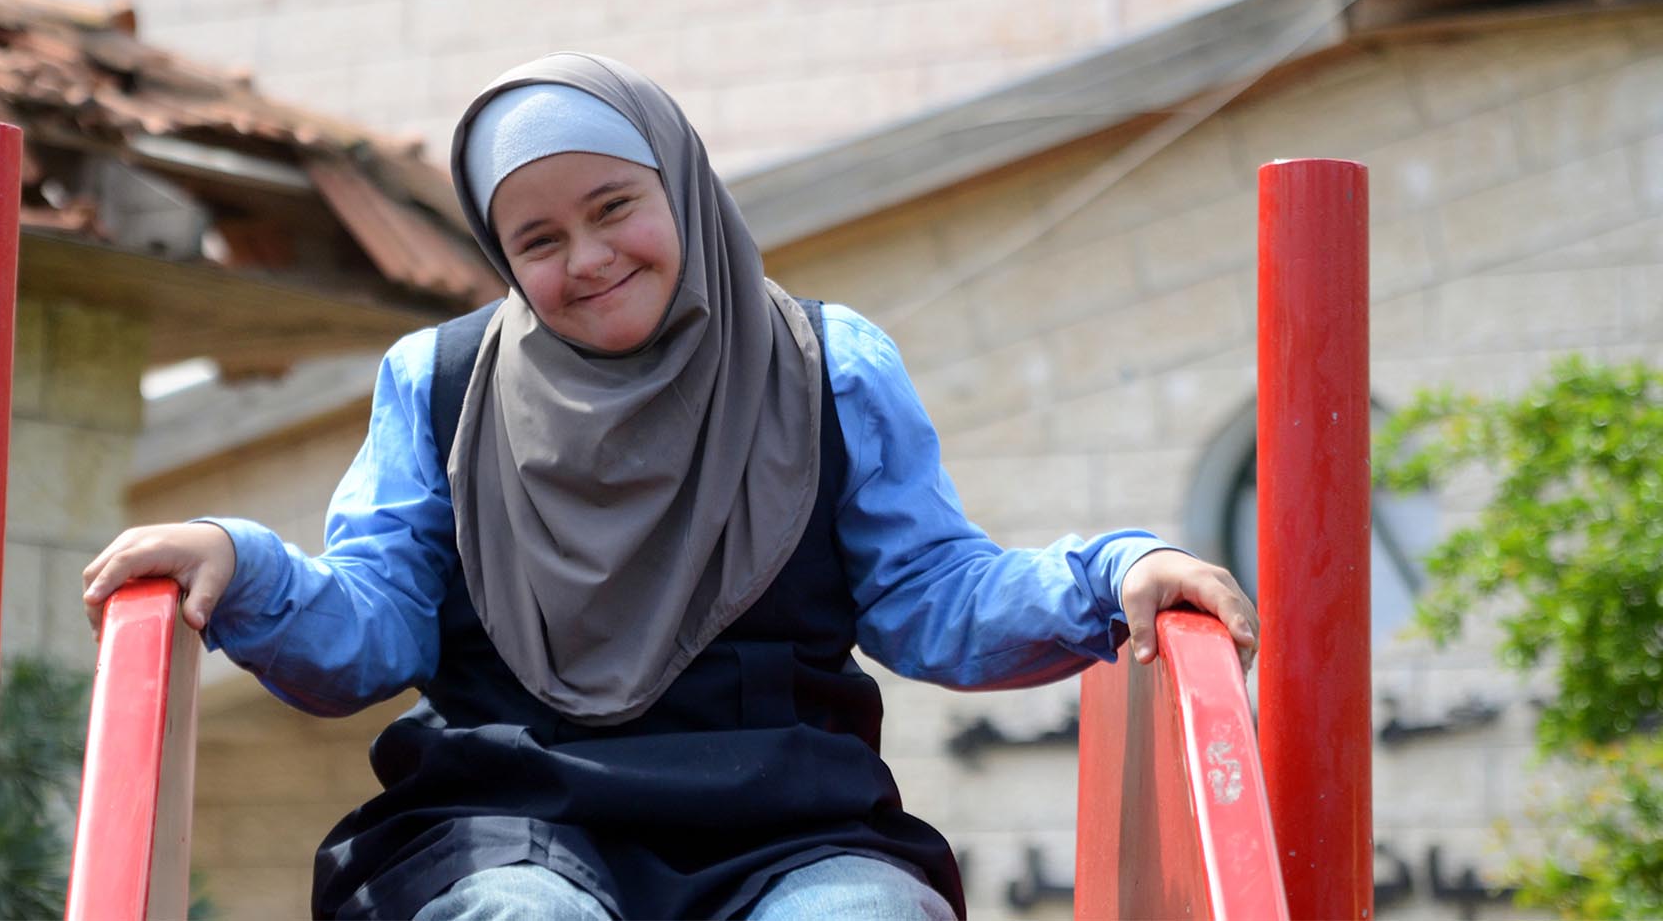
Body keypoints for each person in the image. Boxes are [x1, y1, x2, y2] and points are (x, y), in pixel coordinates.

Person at [83, 52, 1258, 921]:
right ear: (503, 260)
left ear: (681, 191)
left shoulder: (821, 365)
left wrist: (1112, 574)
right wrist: (237, 559)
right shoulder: (438, 383)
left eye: (613, 208)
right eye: (537, 239)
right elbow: (373, 622)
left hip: (783, 815)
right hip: (509, 806)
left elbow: (930, 595)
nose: (587, 259)